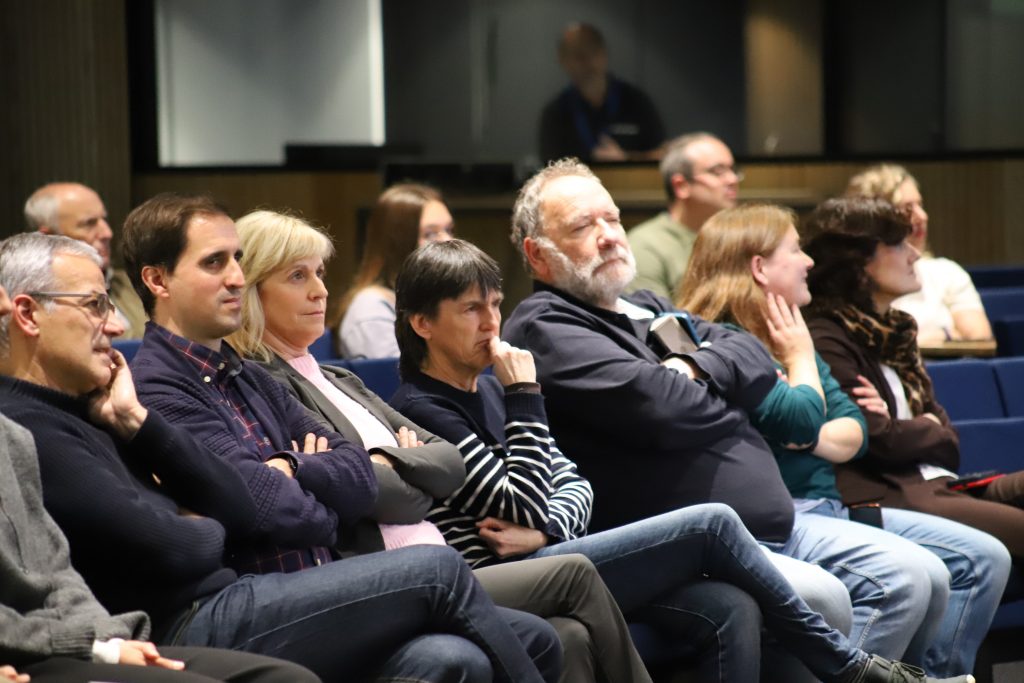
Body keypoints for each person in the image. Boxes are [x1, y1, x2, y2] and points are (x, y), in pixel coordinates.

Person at [389, 237, 971, 683]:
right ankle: (846, 668)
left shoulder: (490, 387)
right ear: (422, 324)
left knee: (728, 606)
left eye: (494, 306)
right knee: (711, 521)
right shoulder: (424, 409)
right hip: (494, 577)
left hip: (545, 554)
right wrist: (524, 402)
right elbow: (517, 498)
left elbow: (574, 485)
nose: (491, 325)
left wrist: (543, 531)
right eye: (471, 311)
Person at [0, 231, 557, 683]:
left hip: (285, 580)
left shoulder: (255, 375)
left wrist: (298, 472)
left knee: (466, 655)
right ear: (159, 280)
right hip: (212, 606)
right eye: (217, 262)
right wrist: (230, 509)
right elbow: (219, 526)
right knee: (444, 571)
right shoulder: (131, 393)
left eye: (239, 261)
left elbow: (364, 484)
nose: (235, 278)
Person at [500, 158, 970, 673]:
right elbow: (665, 407)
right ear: (537, 255)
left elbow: (743, 350)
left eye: (612, 218)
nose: (609, 236)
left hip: (768, 523)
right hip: (676, 544)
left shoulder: (645, 305)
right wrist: (727, 396)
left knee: (930, 573)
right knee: (840, 596)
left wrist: (698, 368)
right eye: (583, 226)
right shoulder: (547, 327)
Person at [228, 208, 652, 683]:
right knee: (608, 562)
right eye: (298, 275)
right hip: (408, 572)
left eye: (321, 273)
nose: (321, 290)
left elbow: (473, 470)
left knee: (570, 633)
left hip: (445, 563)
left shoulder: (339, 378)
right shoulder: (280, 387)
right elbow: (375, 490)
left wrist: (545, 530)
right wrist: (407, 463)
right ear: (252, 289)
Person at [677, 203, 1010, 677]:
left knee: (968, 563)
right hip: (783, 515)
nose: (808, 260)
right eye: (794, 250)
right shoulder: (728, 342)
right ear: (758, 267)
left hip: (825, 505)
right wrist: (800, 383)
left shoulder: (795, 336)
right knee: (912, 577)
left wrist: (799, 400)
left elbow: (849, 431)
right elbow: (806, 422)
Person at [0, 284, 319, 683]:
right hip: (177, 618)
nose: (117, 325)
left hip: (166, 614)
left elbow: (241, 505)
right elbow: (175, 547)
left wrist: (136, 420)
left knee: (414, 655)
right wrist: (100, 645)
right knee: (424, 573)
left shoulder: (92, 412)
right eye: (95, 305)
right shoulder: (33, 423)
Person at [803, 197, 1024, 564]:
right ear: (858, 263)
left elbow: (949, 440)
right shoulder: (827, 338)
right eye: (897, 244)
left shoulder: (896, 334)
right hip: (890, 495)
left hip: (940, 484)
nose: (914, 255)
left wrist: (913, 428)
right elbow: (875, 439)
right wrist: (927, 427)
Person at [845, 165, 992, 345]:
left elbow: (979, 337)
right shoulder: (855, 284)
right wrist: (945, 335)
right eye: (907, 209)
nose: (922, 216)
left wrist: (937, 337)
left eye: (920, 205)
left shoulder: (946, 272)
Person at [331, 183, 455, 359]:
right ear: (397, 243)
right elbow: (397, 382)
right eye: (430, 234)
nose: (448, 241)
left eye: (449, 230)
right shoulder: (371, 309)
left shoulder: (432, 298)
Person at [626, 132, 742, 298]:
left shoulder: (742, 237)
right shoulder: (645, 246)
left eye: (733, 170)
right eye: (718, 172)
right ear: (681, 186)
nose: (732, 179)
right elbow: (653, 322)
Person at [25, 182, 146, 338]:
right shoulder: (42, 304)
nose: (107, 233)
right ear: (49, 237)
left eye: (103, 219)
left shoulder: (134, 284)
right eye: (89, 223)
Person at [538, 23, 665, 163]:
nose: (587, 62)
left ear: (604, 53)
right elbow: (550, 168)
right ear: (563, 60)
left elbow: (663, 154)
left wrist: (627, 158)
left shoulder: (636, 101)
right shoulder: (555, 113)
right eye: (578, 55)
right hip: (579, 184)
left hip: (630, 183)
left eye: (592, 51)